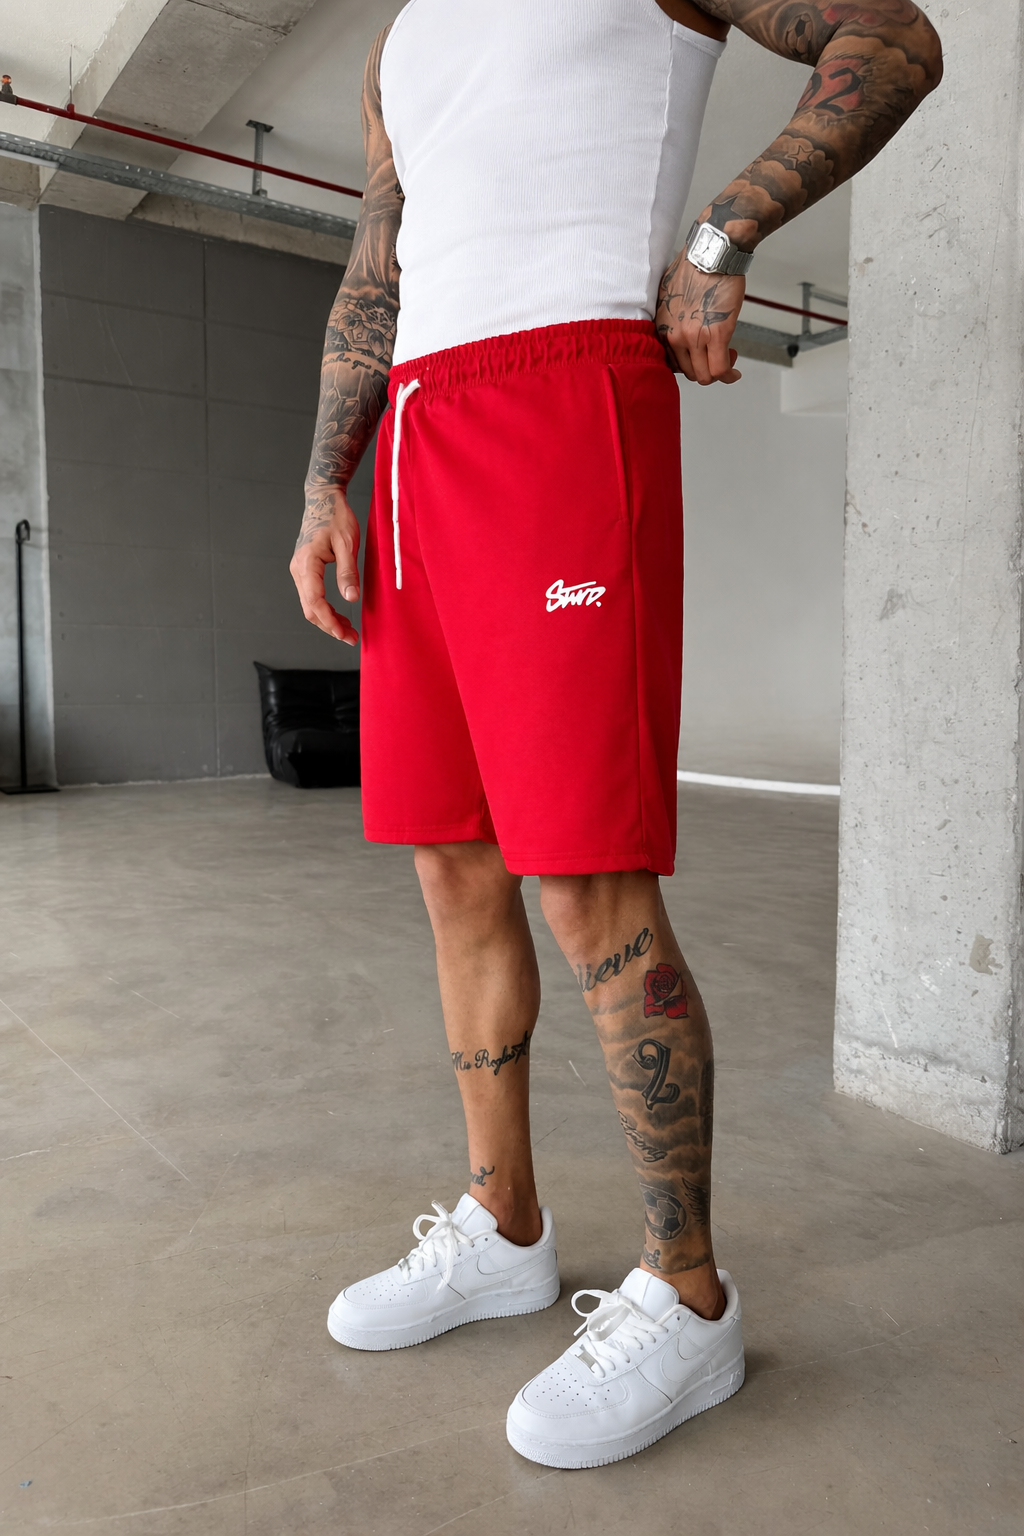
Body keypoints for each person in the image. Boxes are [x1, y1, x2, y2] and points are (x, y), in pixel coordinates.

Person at [289, 0, 942, 1470]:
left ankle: (689, 1297)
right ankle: (504, 1225)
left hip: (563, 398)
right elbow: (376, 259)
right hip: (415, 438)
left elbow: (891, 40)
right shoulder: (402, 36)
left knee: (584, 876)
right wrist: (328, 477)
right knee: (451, 864)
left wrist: (720, 236)